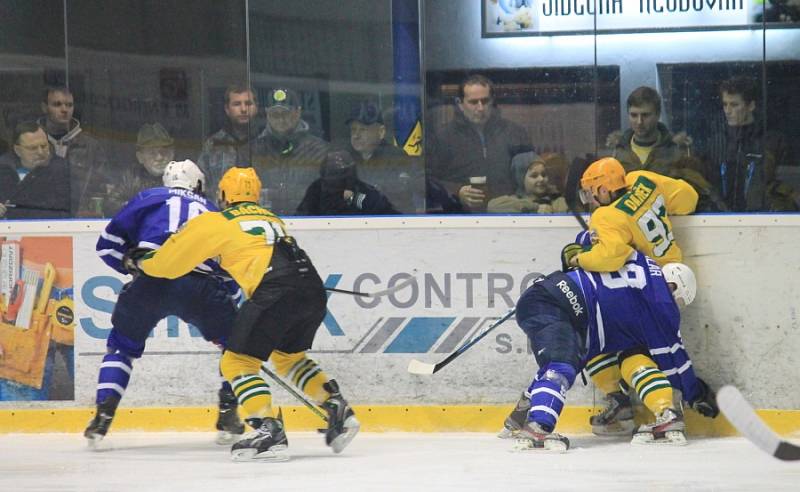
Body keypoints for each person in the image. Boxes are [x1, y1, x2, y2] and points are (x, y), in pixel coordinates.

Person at [135, 166, 359, 462]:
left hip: (275, 291)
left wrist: (141, 261)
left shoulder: (216, 221)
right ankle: (337, 407)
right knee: (288, 357)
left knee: (237, 362)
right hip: (311, 289)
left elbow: (169, 263)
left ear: (225, 195)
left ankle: (268, 429)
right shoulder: (273, 219)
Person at [552, 157, 718, 437]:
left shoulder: (606, 215)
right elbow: (688, 197)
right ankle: (636, 400)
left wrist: (579, 259)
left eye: (591, 192)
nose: (590, 200)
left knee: (628, 351)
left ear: (603, 190)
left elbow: (610, 256)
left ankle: (664, 411)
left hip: (644, 288)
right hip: (672, 277)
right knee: (641, 345)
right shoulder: (644, 179)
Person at [85, 159, 245, 446]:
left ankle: (103, 416)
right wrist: (234, 304)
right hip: (200, 285)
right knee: (235, 348)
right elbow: (228, 267)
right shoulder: (212, 210)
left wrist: (130, 265)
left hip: (151, 280)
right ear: (199, 184)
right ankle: (228, 413)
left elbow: (106, 245)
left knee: (121, 347)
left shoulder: (148, 198)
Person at [508, 255, 708, 451]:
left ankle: (526, 406)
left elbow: (599, 245)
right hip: (556, 303)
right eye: (679, 300)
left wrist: (577, 252)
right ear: (674, 285)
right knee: (561, 364)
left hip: (562, 301)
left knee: (572, 361)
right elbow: (673, 358)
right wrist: (695, 393)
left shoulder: (640, 263)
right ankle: (538, 427)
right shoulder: (661, 302)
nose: (675, 305)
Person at [605, 86, 726, 212]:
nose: (639, 121)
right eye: (634, 115)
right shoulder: (616, 154)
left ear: (657, 115)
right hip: (627, 225)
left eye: (645, 115)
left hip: (671, 224)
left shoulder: (679, 152)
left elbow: (702, 195)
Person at [428, 74, 529, 212]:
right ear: (460, 104)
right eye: (473, 102)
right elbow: (429, 180)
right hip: (459, 217)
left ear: (492, 101)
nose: (480, 108)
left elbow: (531, 172)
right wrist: (457, 192)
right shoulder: (443, 137)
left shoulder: (514, 133)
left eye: (485, 101)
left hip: (509, 215)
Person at [706, 76, 797, 211]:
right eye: (725, 104)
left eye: (734, 104)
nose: (728, 111)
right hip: (718, 218)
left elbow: (785, 181)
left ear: (751, 106)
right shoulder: (716, 143)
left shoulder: (771, 142)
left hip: (763, 217)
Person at [254, 88, 329, 215]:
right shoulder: (253, 150)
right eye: (275, 115)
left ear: (298, 112)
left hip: (310, 223)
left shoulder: (320, 150)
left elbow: (327, 194)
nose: (280, 120)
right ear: (267, 114)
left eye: (286, 114)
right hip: (264, 223)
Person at [38, 86, 107, 217]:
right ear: (44, 107)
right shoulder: (31, 143)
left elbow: (101, 188)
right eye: (57, 104)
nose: (64, 109)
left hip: (79, 219)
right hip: (39, 218)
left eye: (69, 105)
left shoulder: (91, 146)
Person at [345, 100, 423, 213]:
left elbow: (385, 203)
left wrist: (352, 197)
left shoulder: (396, 157)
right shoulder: (346, 157)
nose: (356, 135)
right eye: (353, 129)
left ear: (381, 132)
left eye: (363, 129)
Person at [197, 84, 260, 198]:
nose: (243, 109)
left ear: (256, 107)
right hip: (221, 212)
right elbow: (201, 185)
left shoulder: (265, 141)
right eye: (237, 104)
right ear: (227, 109)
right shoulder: (213, 144)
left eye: (248, 103)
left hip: (260, 212)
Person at [0, 121, 72, 219]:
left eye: (44, 146)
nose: (40, 152)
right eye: (33, 148)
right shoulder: (3, 170)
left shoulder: (62, 171)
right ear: (18, 150)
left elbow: (66, 212)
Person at [297, 149, 399, 215]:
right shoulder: (316, 190)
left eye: (341, 174)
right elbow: (301, 216)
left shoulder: (363, 193)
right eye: (332, 173)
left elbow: (392, 216)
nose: (336, 179)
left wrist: (354, 199)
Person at [104, 122, 176, 212]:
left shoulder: (182, 176)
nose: (159, 157)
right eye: (152, 153)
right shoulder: (131, 177)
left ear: (172, 154)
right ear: (140, 157)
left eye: (164, 151)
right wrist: (137, 207)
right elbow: (111, 204)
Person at [487, 151, 569, 214]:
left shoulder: (556, 201)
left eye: (544, 174)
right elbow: (492, 206)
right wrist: (535, 207)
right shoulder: (513, 201)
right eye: (534, 176)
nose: (541, 179)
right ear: (521, 179)